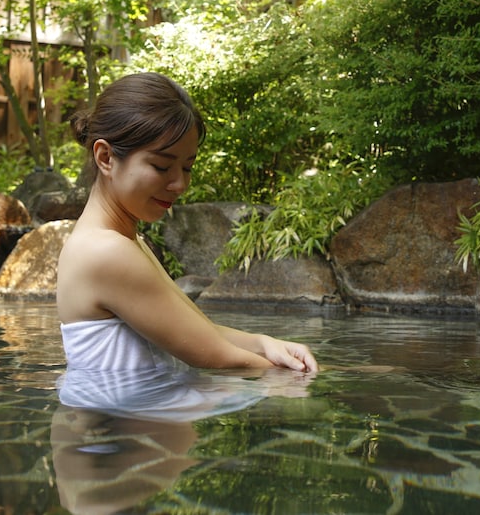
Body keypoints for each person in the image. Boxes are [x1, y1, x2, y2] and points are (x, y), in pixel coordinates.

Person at [56, 71, 319, 374]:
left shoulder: (123, 241)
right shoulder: (106, 251)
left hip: (132, 416)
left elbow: (196, 331)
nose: (179, 184)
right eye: (162, 166)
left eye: (187, 167)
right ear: (105, 157)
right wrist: (302, 382)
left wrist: (265, 343)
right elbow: (216, 357)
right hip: (118, 421)